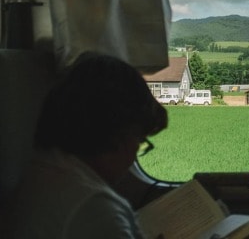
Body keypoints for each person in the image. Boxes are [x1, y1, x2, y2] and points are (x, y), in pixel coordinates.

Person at [7, 52, 168, 239]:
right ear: (118, 137)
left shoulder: (40, 172)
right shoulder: (94, 208)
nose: (134, 155)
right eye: (140, 141)